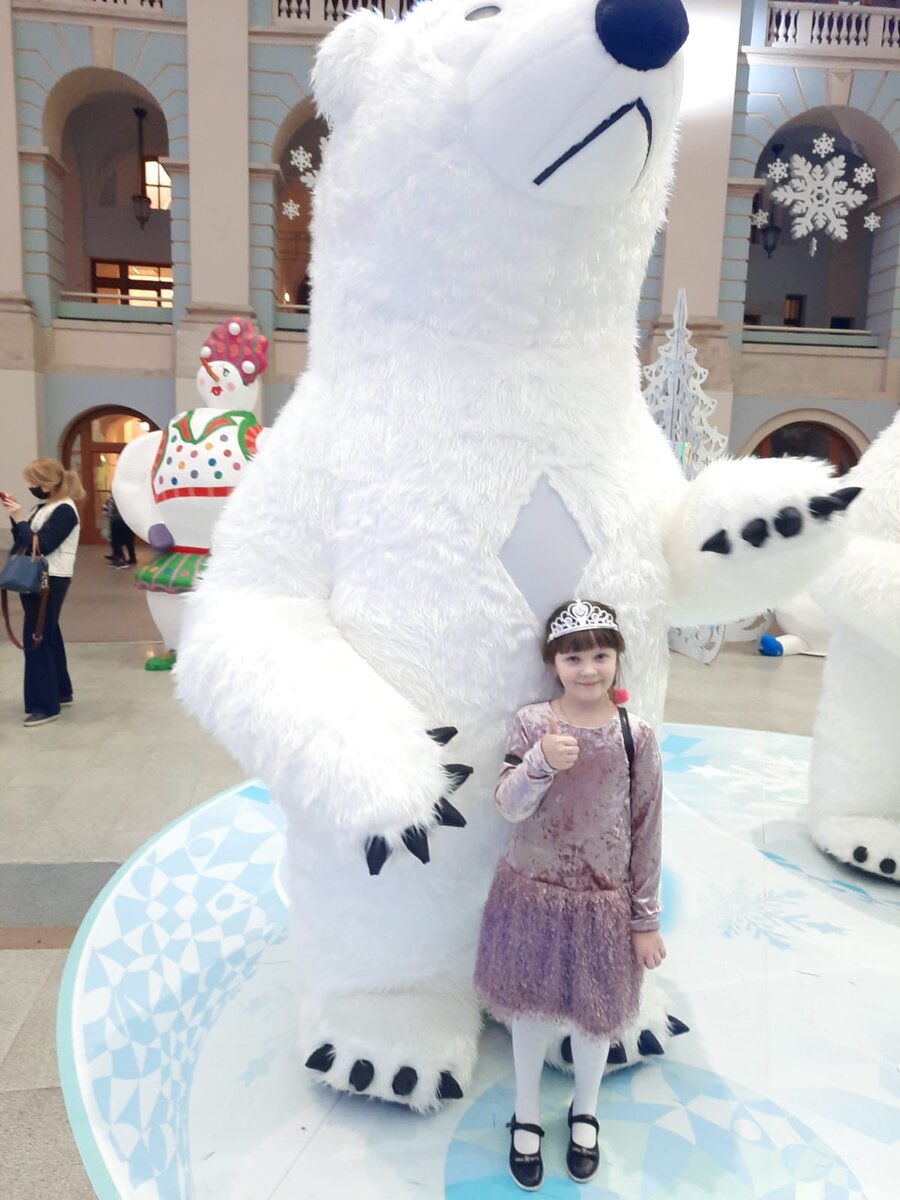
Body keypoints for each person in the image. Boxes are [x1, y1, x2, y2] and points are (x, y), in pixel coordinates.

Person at [474, 599, 665, 1191]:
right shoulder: (534, 723)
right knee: (529, 1009)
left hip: (604, 901)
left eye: (601, 655)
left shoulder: (636, 735)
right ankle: (526, 1112)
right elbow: (508, 805)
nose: (588, 669)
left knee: (594, 1018)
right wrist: (539, 763)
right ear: (553, 663)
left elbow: (647, 828)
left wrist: (645, 920)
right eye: (573, 658)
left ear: (617, 659)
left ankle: (586, 1110)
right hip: (532, 892)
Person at [1, 459, 84, 727]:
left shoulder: (65, 510)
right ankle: (60, 691)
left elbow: (43, 545)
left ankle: (44, 706)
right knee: (47, 630)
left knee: (37, 636)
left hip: (50, 578)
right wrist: (17, 518)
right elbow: (24, 540)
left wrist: (19, 519)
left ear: (47, 484)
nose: (30, 486)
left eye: (34, 481)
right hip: (43, 576)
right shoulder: (44, 507)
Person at [103, 494, 136, 568]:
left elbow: (107, 511)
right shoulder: (129, 498)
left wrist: (108, 515)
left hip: (116, 521)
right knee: (129, 540)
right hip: (128, 521)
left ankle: (119, 560)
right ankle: (132, 558)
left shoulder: (112, 499)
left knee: (116, 541)